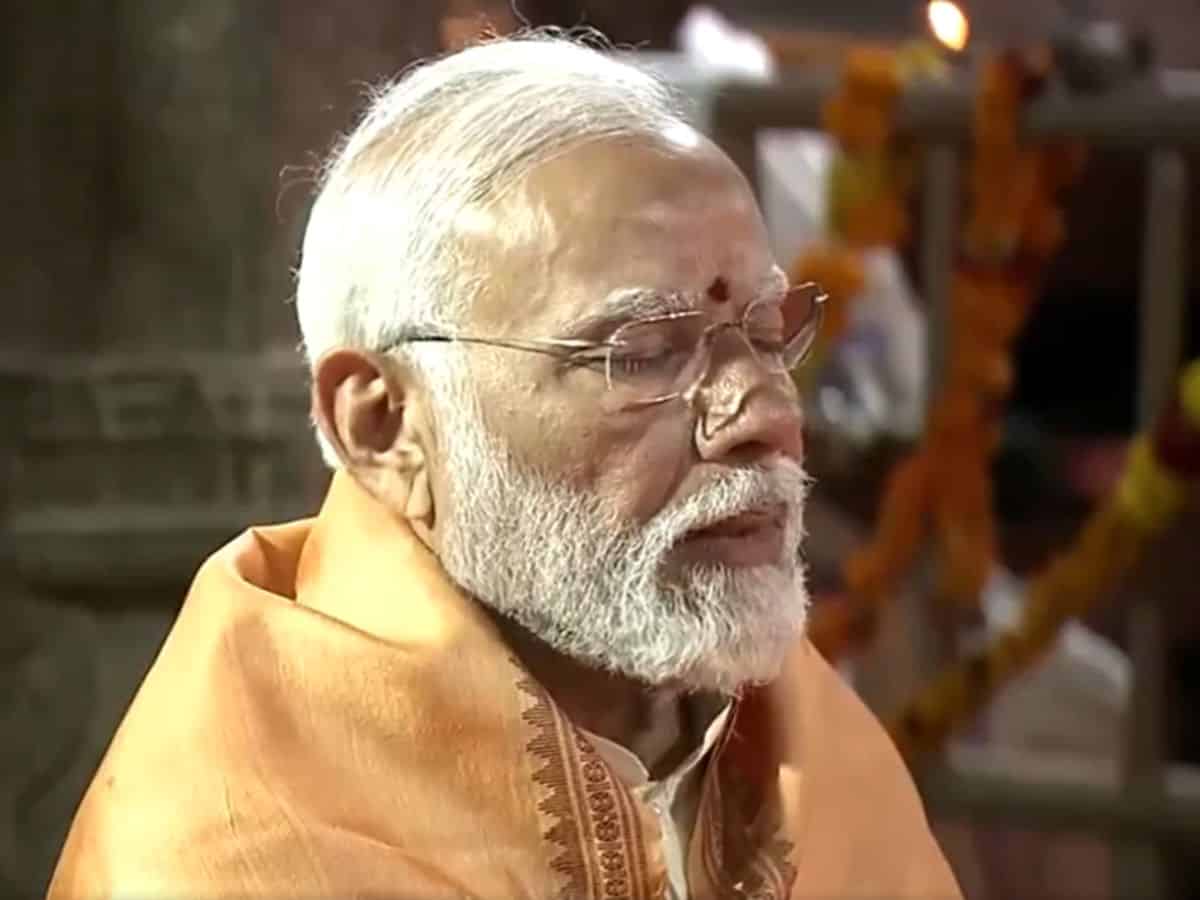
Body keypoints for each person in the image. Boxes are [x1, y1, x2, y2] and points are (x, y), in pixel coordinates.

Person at [49, 33, 961, 900]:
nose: (763, 414)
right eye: (641, 351)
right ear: (384, 424)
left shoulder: (805, 739)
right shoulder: (239, 844)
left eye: (766, 335)